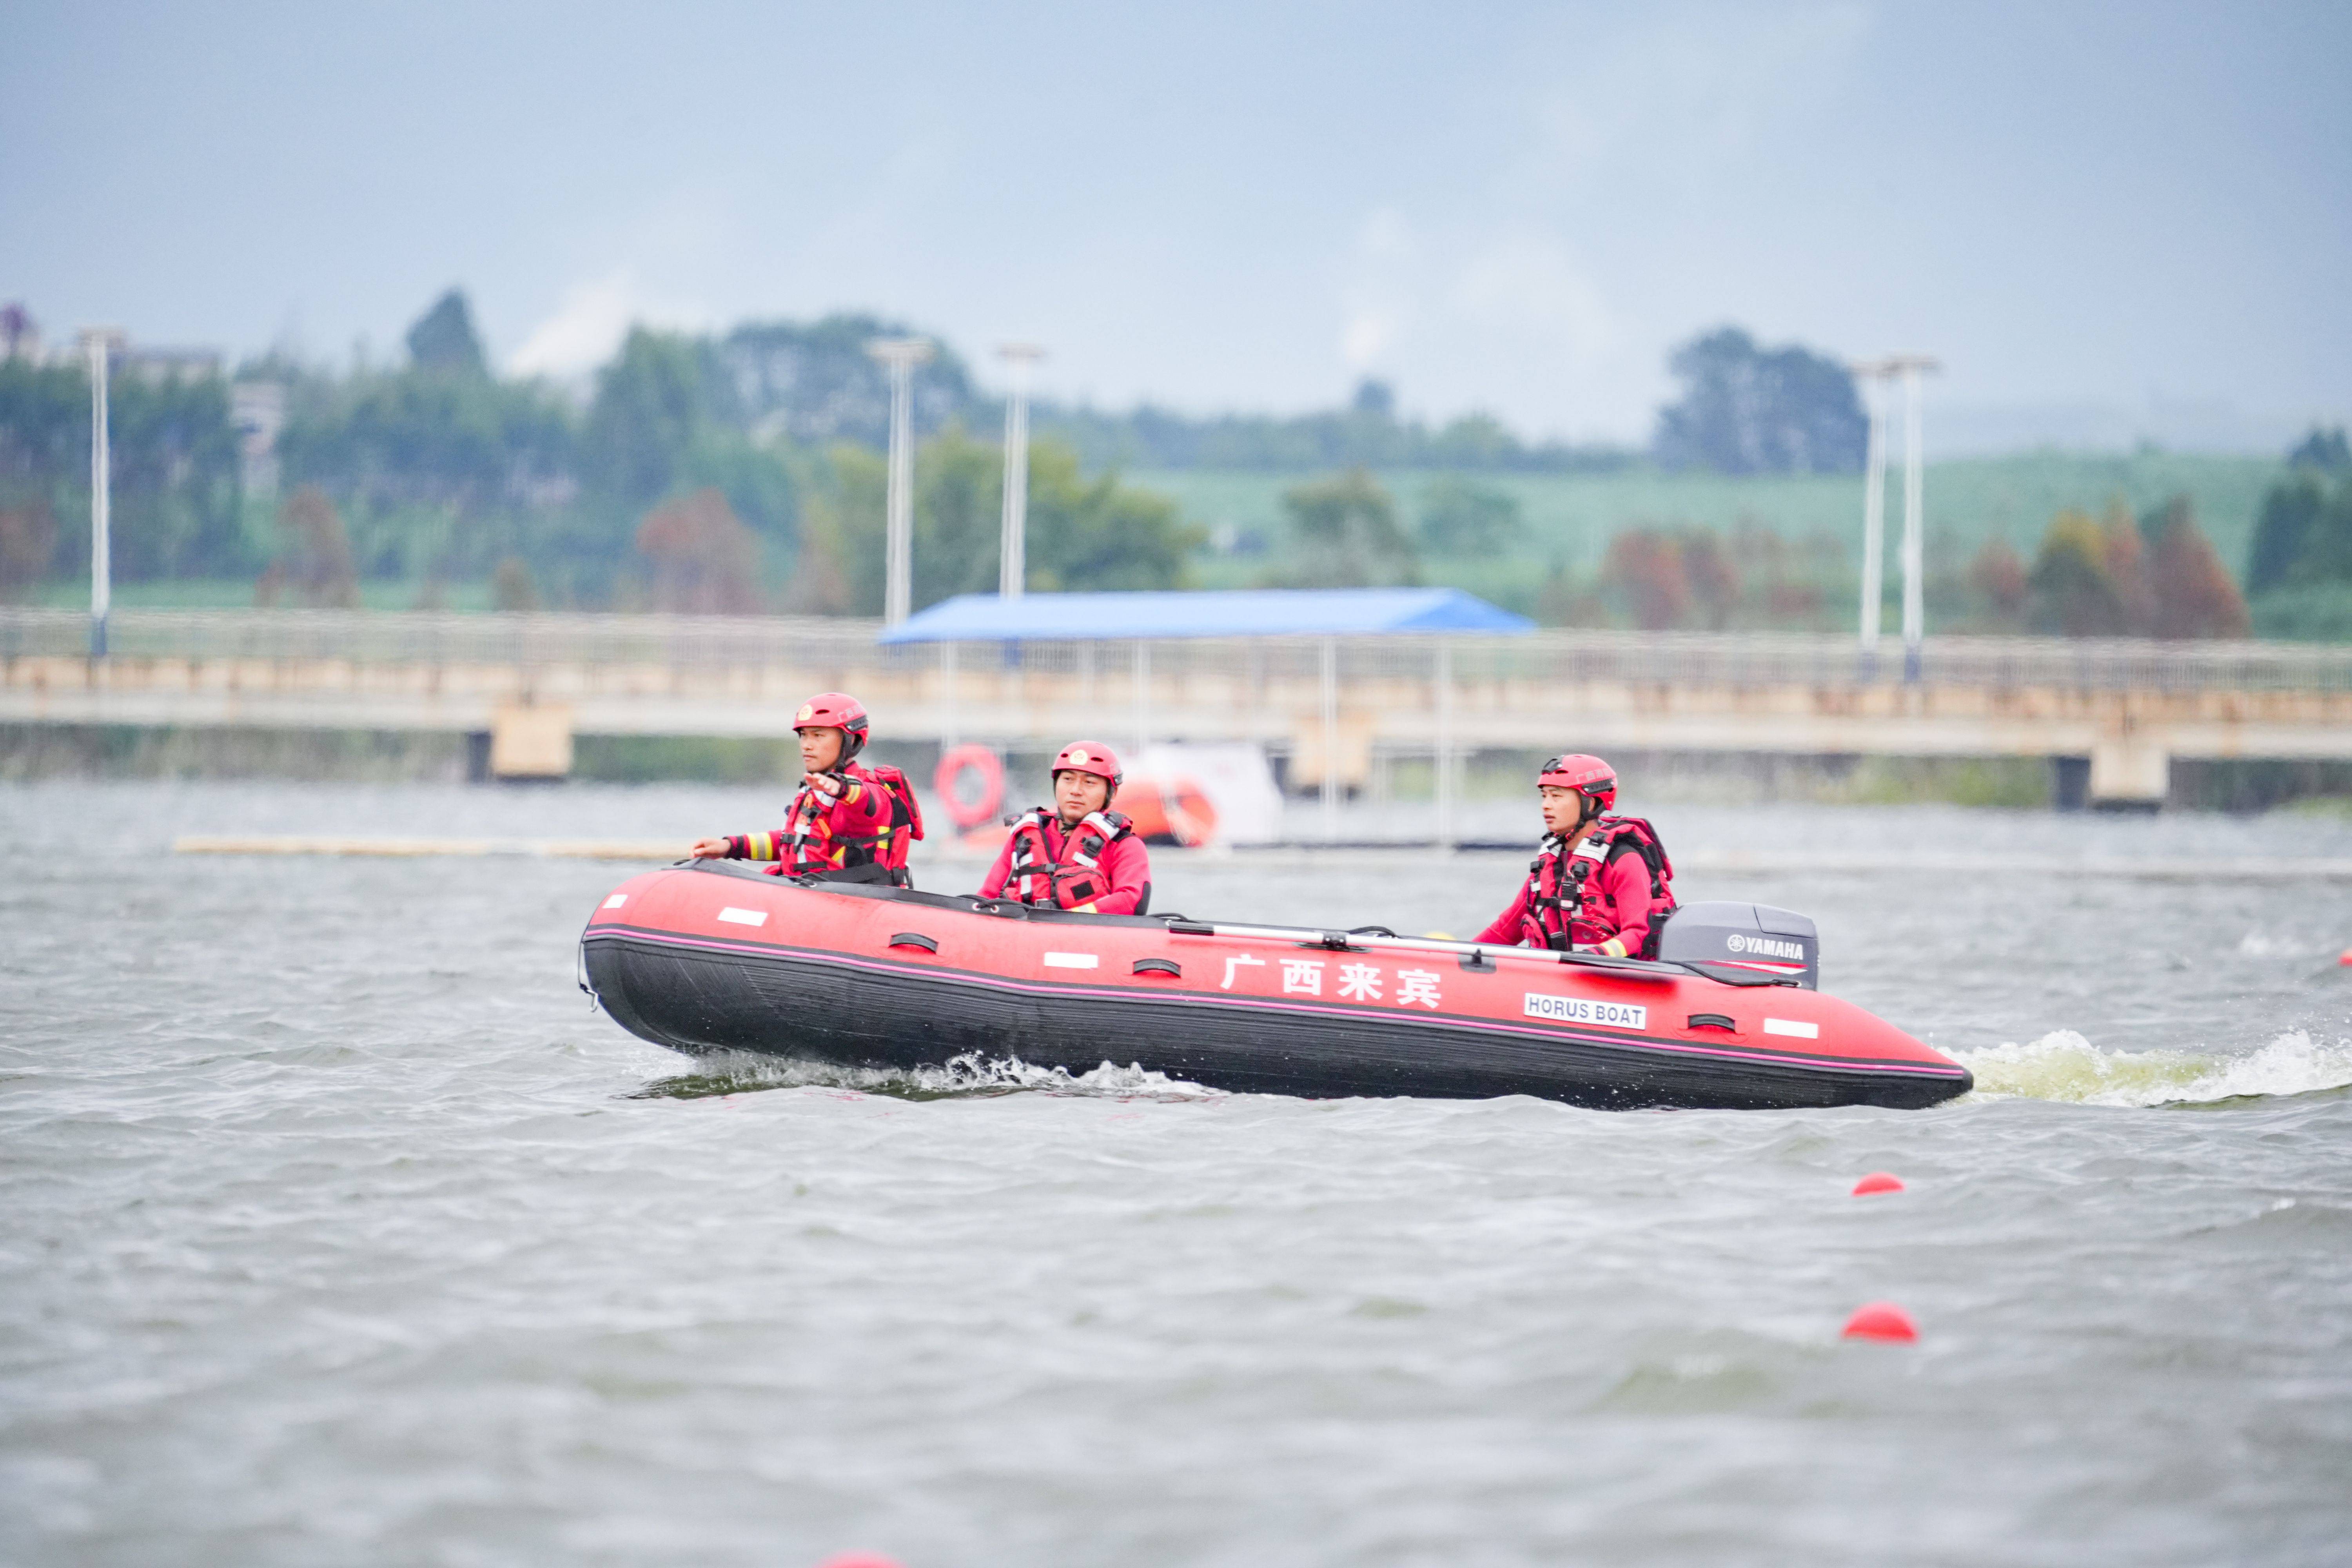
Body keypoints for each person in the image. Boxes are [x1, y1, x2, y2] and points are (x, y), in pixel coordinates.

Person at [689, 692, 923, 884]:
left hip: (852, 907)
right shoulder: (816, 790)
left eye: (818, 736)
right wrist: (729, 846)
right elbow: (793, 843)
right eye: (803, 736)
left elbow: (867, 801)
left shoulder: (868, 790)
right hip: (811, 898)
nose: (807, 746)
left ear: (851, 740)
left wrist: (842, 788)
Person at [1474, 753, 1675, 956]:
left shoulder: (1624, 860)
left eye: (1557, 796)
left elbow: (1638, 933)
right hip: (1561, 976)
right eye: (1544, 796)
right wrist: (1457, 955)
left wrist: (1592, 957)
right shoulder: (1550, 866)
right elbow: (1504, 931)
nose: (1546, 805)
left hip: (1613, 979)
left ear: (1591, 802)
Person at [977, 741, 1152, 915]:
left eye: (1089, 782)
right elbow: (986, 897)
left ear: (1112, 793)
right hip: (1021, 934)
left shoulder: (1125, 846)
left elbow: (1131, 900)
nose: (1076, 790)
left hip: (1085, 936)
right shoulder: (1023, 840)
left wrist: (1074, 917)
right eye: (1068, 779)